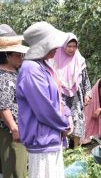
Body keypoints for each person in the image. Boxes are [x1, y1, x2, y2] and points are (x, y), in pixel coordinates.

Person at [16, 21, 73, 178]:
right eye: (53, 44)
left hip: (50, 136)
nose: (57, 48)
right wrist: (65, 124)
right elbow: (44, 110)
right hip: (42, 139)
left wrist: (67, 114)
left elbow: (56, 96)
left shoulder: (43, 65)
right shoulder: (31, 69)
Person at [47, 33, 92, 148]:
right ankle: (63, 147)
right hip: (60, 94)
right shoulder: (54, 59)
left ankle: (77, 148)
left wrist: (87, 93)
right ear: (63, 46)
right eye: (69, 46)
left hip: (76, 94)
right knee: (62, 118)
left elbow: (85, 78)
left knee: (77, 118)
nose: (72, 49)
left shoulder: (79, 59)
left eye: (74, 46)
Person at [0, 24, 29, 178]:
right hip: (10, 132)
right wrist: (14, 128)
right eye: (18, 54)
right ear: (7, 55)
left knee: (20, 168)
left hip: (18, 129)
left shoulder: (14, 72)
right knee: (14, 170)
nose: (21, 57)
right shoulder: (3, 77)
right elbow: (3, 105)